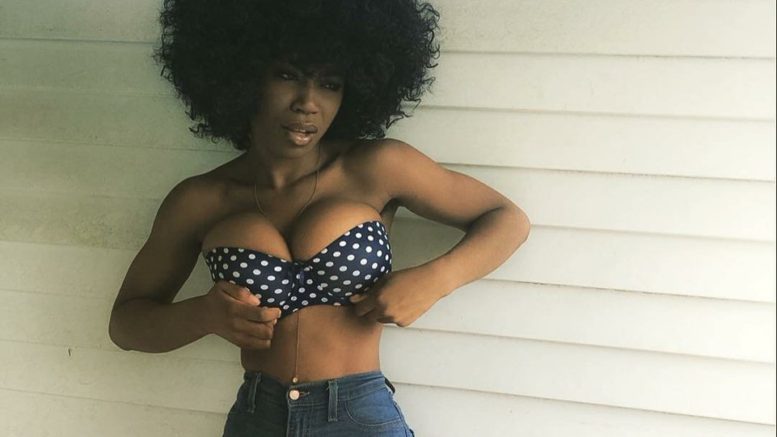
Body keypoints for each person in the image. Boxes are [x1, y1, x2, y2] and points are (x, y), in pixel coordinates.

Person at [108, 0, 531, 435]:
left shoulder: (377, 167)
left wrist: (436, 280)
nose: (308, 103)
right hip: (257, 418)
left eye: (330, 84)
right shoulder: (201, 199)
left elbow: (507, 219)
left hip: (359, 417)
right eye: (287, 75)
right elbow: (125, 324)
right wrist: (203, 315)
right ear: (242, 77)